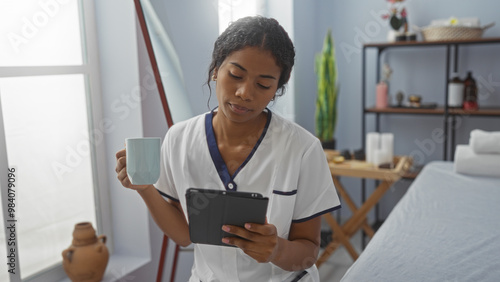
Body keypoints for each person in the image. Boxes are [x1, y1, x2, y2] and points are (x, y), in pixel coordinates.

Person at [115, 16, 340, 282]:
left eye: (263, 85)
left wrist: (276, 249)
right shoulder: (179, 139)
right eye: (235, 75)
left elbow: (309, 252)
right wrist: (145, 189)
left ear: (276, 90)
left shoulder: (303, 149)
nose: (245, 92)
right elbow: (183, 236)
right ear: (215, 69)